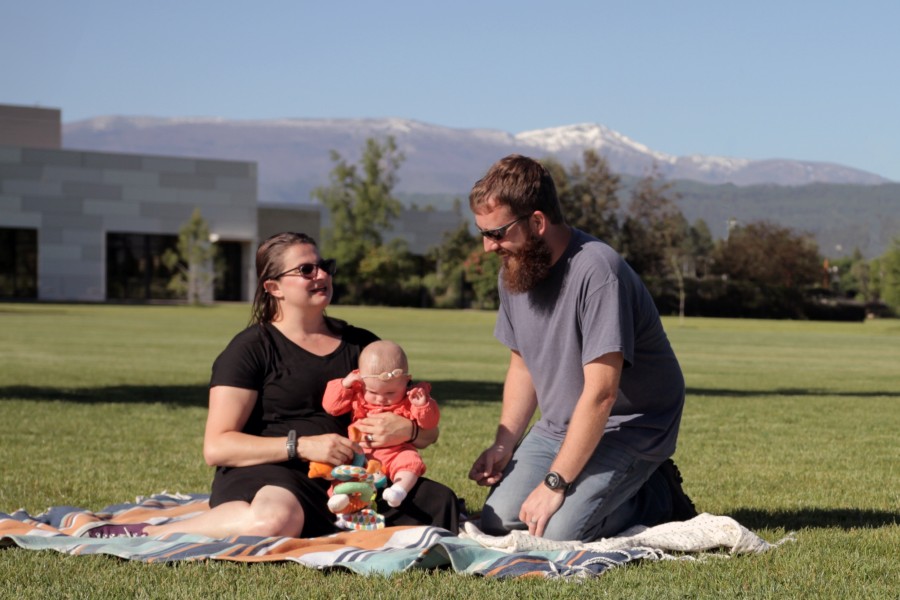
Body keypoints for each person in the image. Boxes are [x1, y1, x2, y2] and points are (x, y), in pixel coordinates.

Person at [86, 232, 458, 539]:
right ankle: (149, 533)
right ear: (273, 287)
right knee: (276, 521)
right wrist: (302, 446)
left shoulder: (363, 346)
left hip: (348, 476)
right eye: (306, 269)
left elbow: (426, 433)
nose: (321, 276)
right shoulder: (250, 349)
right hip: (270, 470)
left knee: (441, 505)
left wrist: (408, 428)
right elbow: (217, 447)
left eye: (323, 266)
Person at [467, 154, 696, 542]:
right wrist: (503, 445)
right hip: (560, 425)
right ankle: (606, 493)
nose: (489, 247)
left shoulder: (598, 271)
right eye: (484, 234)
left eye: (498, 233)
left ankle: (657, 496)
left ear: (537, 222)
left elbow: (602, 394)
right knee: (499, 521)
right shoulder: (515, 273)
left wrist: (555, 484)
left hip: (630, 428)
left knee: (558, 532)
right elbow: (522, 366)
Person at [322, 340, 440, 508]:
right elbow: (331, 407)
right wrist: (345, 384)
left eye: (390, 392)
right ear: (361, 381)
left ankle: (398, 490)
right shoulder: (357, 395)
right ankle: (340, 497)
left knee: (410, 461)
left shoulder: (410, 399)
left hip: (396, 452)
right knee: (346, 468)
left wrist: (423, 406)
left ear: (407, 381)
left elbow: (430, 424)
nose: (381, 398)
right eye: (372, 392)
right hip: (361, 453)